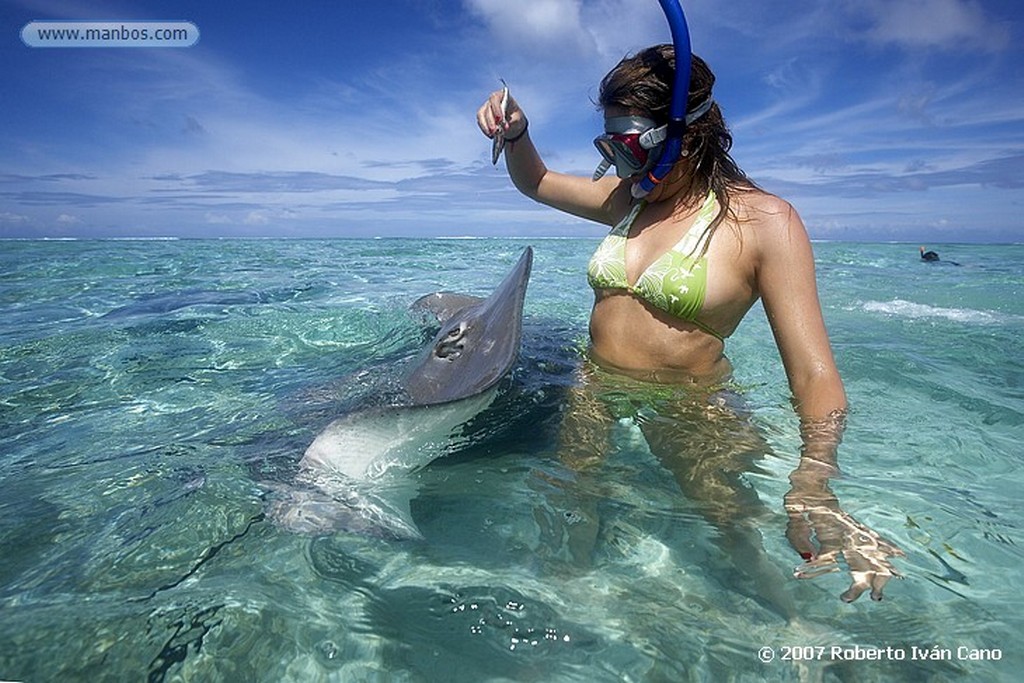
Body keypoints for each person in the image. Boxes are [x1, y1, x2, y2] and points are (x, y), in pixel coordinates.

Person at [478, 45, 902, 603]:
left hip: (690, 404)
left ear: (685, 134)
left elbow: (813, 375)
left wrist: (816, 478)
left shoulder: (763, 222)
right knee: (571, 495)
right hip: (594, 387)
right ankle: (568, 611)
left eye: (628, 146)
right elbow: (536, 181)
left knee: (729, 523)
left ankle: (800, 628)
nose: (621, 165)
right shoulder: (628, 198)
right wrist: (517, 133)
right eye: (608, 147)